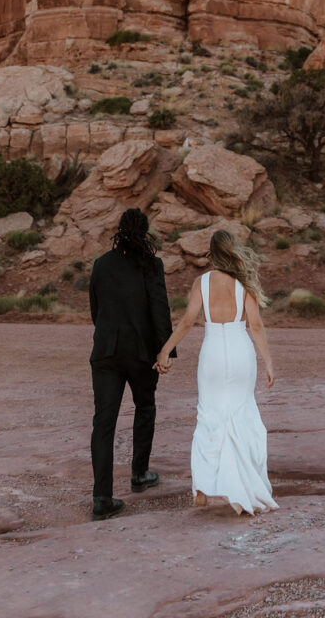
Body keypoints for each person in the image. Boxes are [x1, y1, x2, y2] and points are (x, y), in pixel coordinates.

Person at [154, 229, 278, 515]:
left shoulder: (202, 282)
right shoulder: (243, 283)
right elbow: (256, 326)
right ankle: (246, 483)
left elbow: (186, 322)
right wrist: (269, 362)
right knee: (241, 412)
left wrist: (165, 350)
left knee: (209, 415)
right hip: (240, 353)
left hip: (212, 355)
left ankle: (201, 488)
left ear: (211, 254)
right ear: (232, 251)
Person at [89, 208, 176, 521]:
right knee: (145, 408)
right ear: (145, 232)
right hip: (140, 353)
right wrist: (165, 351)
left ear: (119, 230)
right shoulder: (151, 265)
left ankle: (102, 498)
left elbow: (95, 309)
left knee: (104, 423)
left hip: (106, 354)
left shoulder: (101, 264)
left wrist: (108, 336)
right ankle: (139, 474)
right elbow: (160, 311)